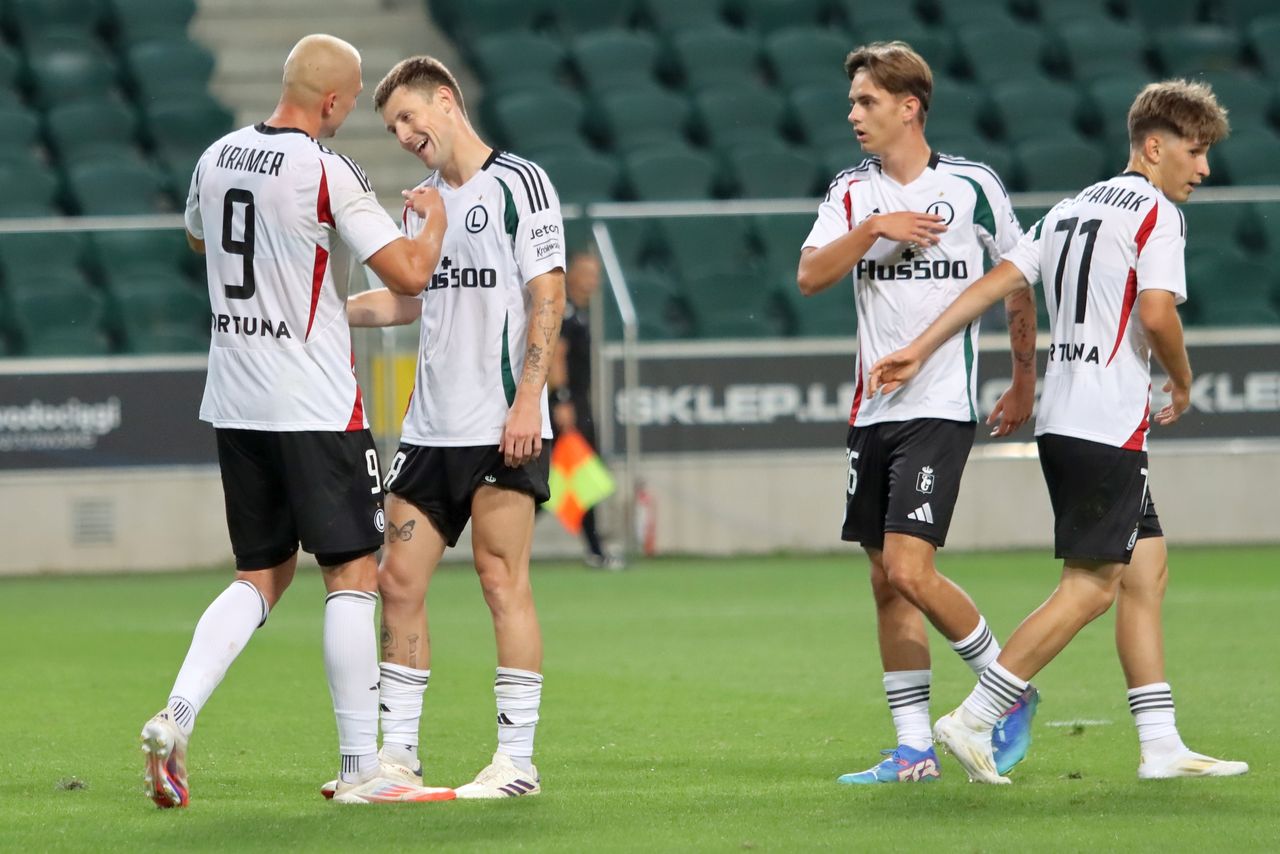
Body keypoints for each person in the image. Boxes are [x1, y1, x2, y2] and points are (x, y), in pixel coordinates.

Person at [869, 79, 1249, 783]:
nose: (1202, 169)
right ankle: (978, 716)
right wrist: (1185, 381)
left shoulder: (1073, 208)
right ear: (1155, 146)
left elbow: (990, 285)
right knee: (1092, 586)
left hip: (1064, 419)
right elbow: (1159, 314)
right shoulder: (1156, 216)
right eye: (1195, 153)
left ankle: (1161, 743)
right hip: (1106, 422)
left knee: (1146, 570)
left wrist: (920, 346)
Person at [139, 34, 454, 807]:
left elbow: (196, 234)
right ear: (335, 102)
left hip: (236, 398)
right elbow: (411, 273)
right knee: (350, 574)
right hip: (314, 402)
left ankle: (176, 716)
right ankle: (360, 771)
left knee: (260, 572)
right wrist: (432, 219)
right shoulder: (327, 170)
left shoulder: (215, 158)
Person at [795, 41, 1040, 785]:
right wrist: (876, 228)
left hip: (939, 405)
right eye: (851, 102)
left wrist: (1024, 378)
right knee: (884, 577)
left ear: (910, 107)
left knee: (909, 565)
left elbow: (1020, 275)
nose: (853, 114)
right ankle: (913, 751)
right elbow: (809, 276)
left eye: (866, 101)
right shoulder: (850, 193)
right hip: (872, 410)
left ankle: (1008, 689)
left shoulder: (971, 186)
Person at [340, 55, 565, 799]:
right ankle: (396, 757)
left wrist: (528, 401)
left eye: (410, 117)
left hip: (501, 425)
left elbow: (547, 298)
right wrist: (318, 317)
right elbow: (405, 303)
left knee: (503, 582)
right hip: (429, 430)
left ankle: (516, 762)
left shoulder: (520, 185)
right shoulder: (420, 206)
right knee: (395, 582)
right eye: (393, 127)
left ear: (446, 101)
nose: (405, 135)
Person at [549, 247, 623, 569]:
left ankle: (595, 548)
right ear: (572, 274)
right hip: (569, 404)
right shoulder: (564, 312)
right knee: (574, 478)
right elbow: (556, 355)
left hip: (578, 402)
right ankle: (595, 549)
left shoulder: (578, 311)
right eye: (588, 274)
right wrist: (562, 399)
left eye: (597, 275)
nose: (593, 281)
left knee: (572, 478)